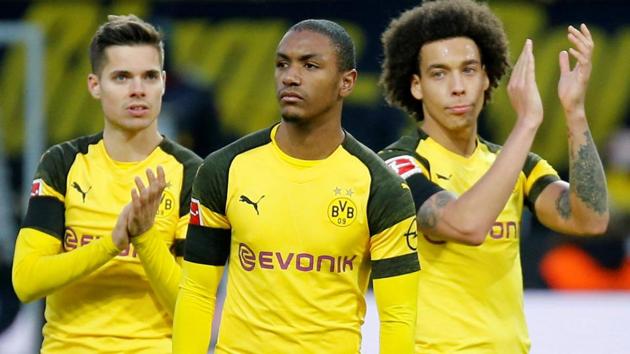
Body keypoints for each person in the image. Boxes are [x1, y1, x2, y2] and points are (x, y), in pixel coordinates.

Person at [172, 19, 425, 354]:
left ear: (346, 82)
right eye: (282, 64)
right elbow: (197, 292)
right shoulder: (224, 169)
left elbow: (398, 316)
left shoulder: (381, 188)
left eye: (310, 65)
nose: (290, 77)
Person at [378, 0, 609, 352]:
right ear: (416, 86)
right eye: (439, 73)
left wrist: (575, 112)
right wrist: (528, 122)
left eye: (469, 70)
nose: (458, 87)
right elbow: (466, 225)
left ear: (487, 77)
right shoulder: (396, 165)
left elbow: (589, 220)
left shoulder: (519, 164)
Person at [12, 15, 202, 353]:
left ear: (163, 83)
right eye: (122, 77)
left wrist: (144, 238)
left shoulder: (190, 173)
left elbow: (193, 306)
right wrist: (111, 244)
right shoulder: (63, 164)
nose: (138, 90)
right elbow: (27, 281)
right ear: (95, 85)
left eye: (149, 76)